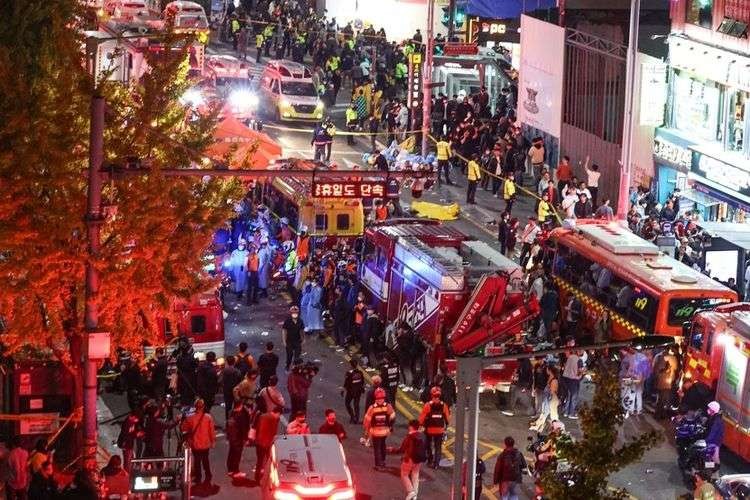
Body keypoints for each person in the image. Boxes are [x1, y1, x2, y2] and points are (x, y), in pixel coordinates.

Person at [387, 419, 426, 500]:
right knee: (415, 475)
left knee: (404, 474)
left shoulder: (410, 436)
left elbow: (402, 449)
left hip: (409, 458)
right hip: (419, 459)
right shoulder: (422, 435)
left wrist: (393, 449)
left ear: (411, 427)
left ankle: (410, 491)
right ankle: (415, 496)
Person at [180, 398, 216, 485]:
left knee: (197, 461)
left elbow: (183, 428)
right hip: (205, 443)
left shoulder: (190, 418)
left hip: (195, 443)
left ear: (195, 407)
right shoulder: (208, 418)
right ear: (203, 407)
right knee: (205, 460)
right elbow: (211, 431)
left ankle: (198, 477)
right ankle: (208, 474)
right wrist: (213, 441)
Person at [363, 387, 396, 470]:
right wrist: (390, 426)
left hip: (375, 431)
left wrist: (366, 431)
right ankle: (383, 461)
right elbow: (393, 416)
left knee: (377, 448)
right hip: (385, 431)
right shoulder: (388, 406)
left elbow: (367, 420)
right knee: (382, 445)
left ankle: (378, 464)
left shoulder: (372, 408)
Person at [418, 386, 450, 469]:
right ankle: (436, 464)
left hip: (429, 429)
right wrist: (446, 427)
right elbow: (447, 418)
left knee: (428, 445)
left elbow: (421, 419)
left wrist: (420, 425)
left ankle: (430, 460)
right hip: (439, 430)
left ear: (431, 394)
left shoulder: (428, 405)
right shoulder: (444, 406)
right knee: (438, 447)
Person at [226, 400, 251, 477]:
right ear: (240, 405)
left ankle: (230, 469)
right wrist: (246, 439)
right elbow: (243, 428)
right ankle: (236, 471)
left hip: (231, 436)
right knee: (237, 454)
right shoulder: (240, 415)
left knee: (231, 452)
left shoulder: (231, 412)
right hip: (238, 437)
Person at [530, 365, 559, 432]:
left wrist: (548, 400)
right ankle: (539, 426)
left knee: (552, 415)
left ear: (549, 371)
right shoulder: (550, 378)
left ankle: (556, 429)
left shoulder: (554, 380)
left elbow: (552, 392)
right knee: (544, 413)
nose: (546, 371)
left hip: (551, 399)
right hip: (547, 398)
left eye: (547, 369)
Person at [561, 347, 585, 419]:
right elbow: (579, 372)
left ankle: (566, 411)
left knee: (569, 395)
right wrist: (583, 372)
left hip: (566, 378)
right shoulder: (579, 360)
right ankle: (572, 413)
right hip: (574, 380)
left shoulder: (570, 357)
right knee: (574, 396)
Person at [343, 358, 365, 423]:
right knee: (356, 405)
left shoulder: (349, 373)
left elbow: (346, 383)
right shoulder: (360, 372)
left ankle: (352, 416)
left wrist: (343, 390)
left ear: (351, 365)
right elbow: (362, 382)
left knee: (347, 403)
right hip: (358, 391)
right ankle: (357, 419)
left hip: (351, 392)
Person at [282, 306, 305, 370]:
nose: (294, 314)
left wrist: (303, 339)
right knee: (289, 355)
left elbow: (302, 331)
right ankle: (287, 366)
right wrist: (284, 341)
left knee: (297, 356)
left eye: (296, 312)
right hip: (289, 341)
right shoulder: (287, 321)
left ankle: (295, 368)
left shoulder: (300, 321)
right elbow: (284, 331)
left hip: (297, 340)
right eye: (293, 312)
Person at [221, 355, 243, 420]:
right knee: (236, 406)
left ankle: (228, 421)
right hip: (235, 391)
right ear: (234, 362)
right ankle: (235, 421)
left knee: (228, 407)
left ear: (227, 362)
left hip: (227, 391)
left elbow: (220, 380)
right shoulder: (237, 371)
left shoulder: (224, 371)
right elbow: (240, 382)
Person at [705, 401, 725, 466]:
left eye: (709, 409)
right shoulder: (714, 418)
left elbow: (712, 433)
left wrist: (706, 440)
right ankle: (709, 471)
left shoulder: (716, 421)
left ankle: (714, 473)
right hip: (714, 442)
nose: (708, 410)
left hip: (714, 443)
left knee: (713, 458)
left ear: (713, 410)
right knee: (710, 458)